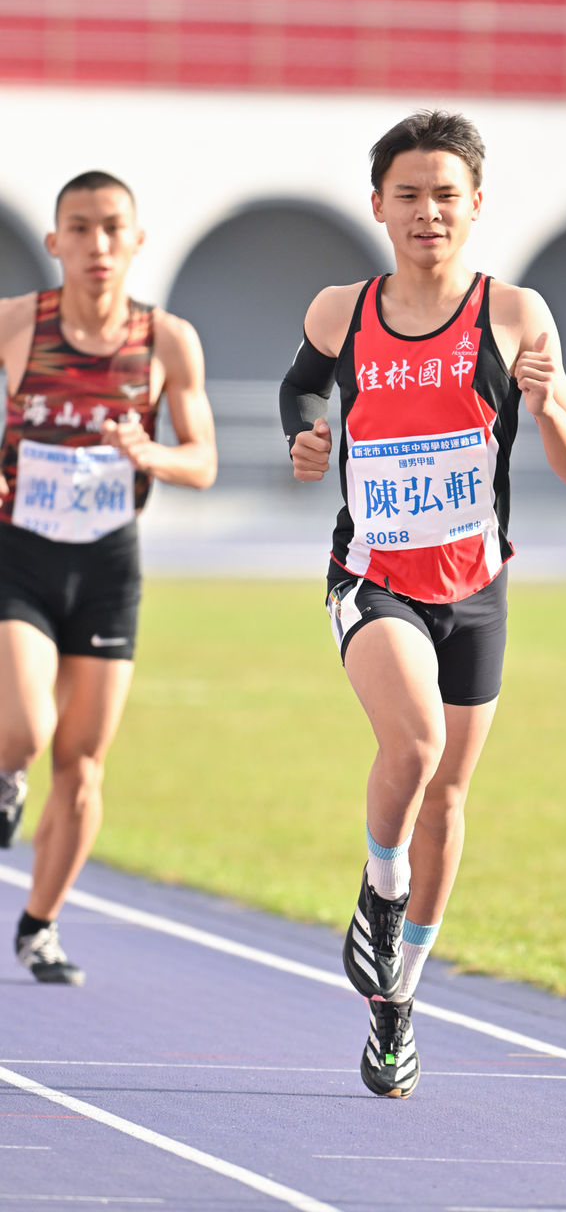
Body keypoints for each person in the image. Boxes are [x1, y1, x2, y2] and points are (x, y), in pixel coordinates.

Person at [280, 109, 566, 1097]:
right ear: (378, 204)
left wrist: (546, 403)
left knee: (449, 796)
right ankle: (380, 892)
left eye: (445, 195)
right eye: (408, 194)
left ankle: (398, 1004)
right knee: (413, 745)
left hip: (476, 586)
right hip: (373, 576)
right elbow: (300, 390)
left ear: (476, 204)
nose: (427, 212)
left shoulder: (515, 314)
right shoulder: (342, 310)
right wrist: (306, 436)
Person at [0, 170, 217, 985]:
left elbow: (203, 461)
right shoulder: (20, 323)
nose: (98, 244)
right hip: (19, 552)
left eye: (112, 227)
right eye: (81, 227)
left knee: (83, 763)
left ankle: (40, 925)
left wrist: (148, 452)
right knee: (26, 729)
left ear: (137, 240)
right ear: (54, 241)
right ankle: (6, 774)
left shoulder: (167, 340)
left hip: (107, 564)